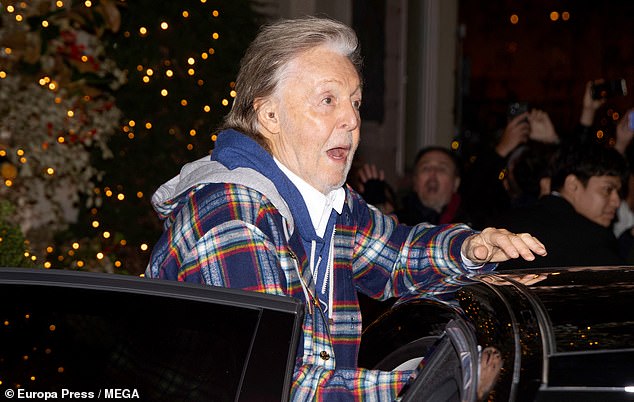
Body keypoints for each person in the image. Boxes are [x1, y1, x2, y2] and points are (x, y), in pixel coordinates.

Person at [145, 16, 546, 400]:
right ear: (269, 115)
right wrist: (438, 381)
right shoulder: (231, 216)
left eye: (354, 101)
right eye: (327, 100)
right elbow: (275, 387)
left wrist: (471, 247)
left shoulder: (326, 203)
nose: (351, 119)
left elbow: (396, 258)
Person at [495, 142, 627, 270]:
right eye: (608, 189)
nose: (616, 201)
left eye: (619, 192)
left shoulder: (504, 222)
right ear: (572, 184)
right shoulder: (592, 240)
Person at [396, 146, 470, 226]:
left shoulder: (476, 229)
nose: (432, 174)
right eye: (426, 168)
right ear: (415, 181)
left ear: (456, 183)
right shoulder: (395, 226)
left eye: (442, 169)